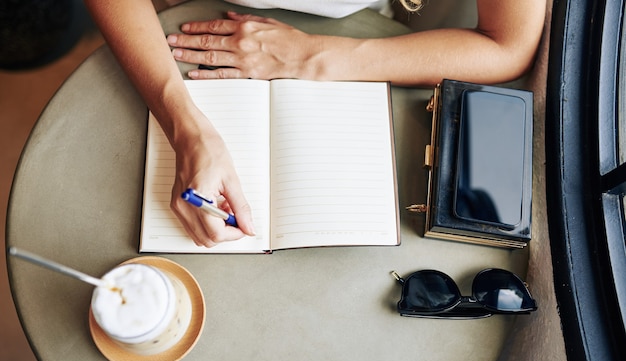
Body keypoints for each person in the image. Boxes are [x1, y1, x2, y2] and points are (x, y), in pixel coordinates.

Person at [83, 0, 546, 248]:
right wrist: (184, 124)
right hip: (177, 27)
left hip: (351, 37)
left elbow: (509, 44)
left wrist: (312, 56)